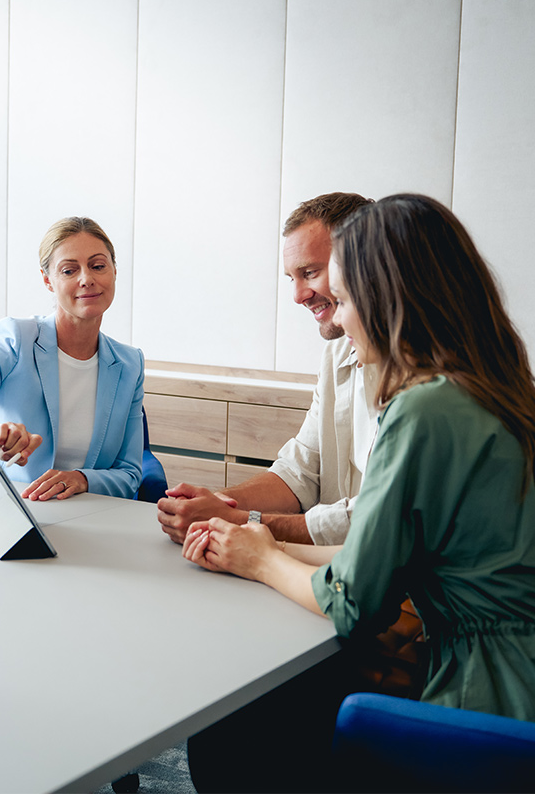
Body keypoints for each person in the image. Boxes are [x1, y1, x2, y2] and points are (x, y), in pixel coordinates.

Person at [183, 193, 535, 792]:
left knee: (230, 736)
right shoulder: (499, 390)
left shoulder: (426, 410)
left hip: (481, 701)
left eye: (342, 298)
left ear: (388, 297)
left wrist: (265, 559)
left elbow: (354, 599)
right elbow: (402, 557)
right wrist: (258, 540)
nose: (338, 321)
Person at [157, 192, 377, 546]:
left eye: (310, 272)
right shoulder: (337, 351)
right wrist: (216, 506)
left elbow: (376, 518)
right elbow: (300, 471)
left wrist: (243, 521)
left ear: (363, 264)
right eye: (293, 278)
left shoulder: (427, 379)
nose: (298, 295)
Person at [0, 216, 144, 500]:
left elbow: (129, 474)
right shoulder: (16, 338)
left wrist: (81, 479)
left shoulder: (129, 364)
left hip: (79, 514)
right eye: (69, 271)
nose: (87, 279)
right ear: (48, 281)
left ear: (114, 271)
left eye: (98, 266)